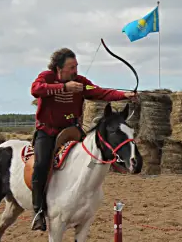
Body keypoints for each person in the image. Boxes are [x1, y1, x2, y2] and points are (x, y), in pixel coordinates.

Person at [29, 47, 138, 231]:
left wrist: (123, 95)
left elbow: (99, 92)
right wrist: (64, 87)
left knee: (92, 158)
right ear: (58, 68)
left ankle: (83, 200)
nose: (75, 71)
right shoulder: (47, 77)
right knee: (41, 165)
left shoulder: (81, 84)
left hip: (71, 131)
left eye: (76, 66)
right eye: (71, 67)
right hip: (47, 132)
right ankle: (38, 211)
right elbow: (36, 89)